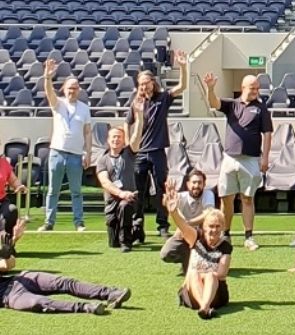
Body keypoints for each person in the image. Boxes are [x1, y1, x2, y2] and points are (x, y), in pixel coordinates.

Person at [203, 72, 272, 251]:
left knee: (247, 199)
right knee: (226, 198)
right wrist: (210, 88)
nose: (256, 91)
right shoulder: (232, 105)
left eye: (257, 88)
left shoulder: (261, 108)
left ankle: (249, 236)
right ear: (243, 88)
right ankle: (225, 234)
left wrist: (265, 157)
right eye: (252, 88)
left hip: (250, 159)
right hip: (229, 158)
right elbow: (214, 102)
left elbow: (267, 133)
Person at [0, 222, 130, 315]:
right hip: (9, 296)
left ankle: (110, 294)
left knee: (64, 282)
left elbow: (8, 265)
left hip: (19, 280)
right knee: (39, 303)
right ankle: (86, 307)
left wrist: (11, 244)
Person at [126, 50, 188, 240]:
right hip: (141, 153)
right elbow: (128, 124)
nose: (144, 87)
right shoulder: (135, 103)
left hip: (158, 151)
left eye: (147, 83)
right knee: (140, 191)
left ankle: (162, 224)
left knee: (162, 188)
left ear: (153, 82)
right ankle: (138, 225)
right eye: (141, 84)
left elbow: (182, 87)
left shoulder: (163, 99)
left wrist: (183, 67)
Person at [37, 57, 91, 233]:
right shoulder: (58, 104)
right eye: (69, 88)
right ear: (64, 89)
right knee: (53, 190)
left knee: (76, 191)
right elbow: (49, 92)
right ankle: (49, 222)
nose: (72, 91)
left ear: (79, 90)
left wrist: (88, 153)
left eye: (75, 88)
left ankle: (79, 222)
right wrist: (47, 77)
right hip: (57, 152)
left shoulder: (84, 108)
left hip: (75, 154)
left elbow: (87, 132)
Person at [163, 181, 232, 319]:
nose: (214, 230)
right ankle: (204, 308)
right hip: (192, 293)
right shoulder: (196, 237)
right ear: (204, 226)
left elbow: (221, 273)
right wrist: (174, 211)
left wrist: (205, 275)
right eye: (211, 226)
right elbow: (183, 225)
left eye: (218, 226)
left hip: (215, 293)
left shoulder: (225, 246)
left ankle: (205, 307)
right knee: (193, 273)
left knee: (211, 275)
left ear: (223, 227)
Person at [95, 107, 146, 252]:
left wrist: (140, 117)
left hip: (130, 198)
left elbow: (136, 136)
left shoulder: (129, 154)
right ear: (108, 140)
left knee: (125, 206)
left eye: (119, 137)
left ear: (124, 140)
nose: (116, 139)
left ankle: (127, 243)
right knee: (113, 242)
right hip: (112, 202)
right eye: (113, 137)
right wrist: (120, 193)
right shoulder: (102, 160)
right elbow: (105, 182)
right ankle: (136, 230)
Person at [160, 169, 216, 272]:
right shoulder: (181, 196)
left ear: (204, 184)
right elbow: (166, 202)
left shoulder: (208, 194)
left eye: (200, 182)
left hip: (203, 236)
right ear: (188, 184)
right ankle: (188, 260)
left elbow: (208, 212)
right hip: (183, 235)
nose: (197, 185)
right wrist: (167, 198)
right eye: (194, 182)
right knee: (165, 254)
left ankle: (204, 260)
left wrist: (186, 225)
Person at [0, 146, 27, 242]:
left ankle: (8, 245)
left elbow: (13, 179)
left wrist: (19, 186)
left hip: (1, 201)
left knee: (12, 210)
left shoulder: (3, 162)